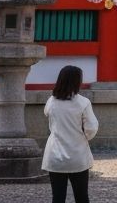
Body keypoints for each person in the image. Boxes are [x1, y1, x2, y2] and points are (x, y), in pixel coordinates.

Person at [42, 65, 99, 203]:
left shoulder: (51, 101)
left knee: (58, 197)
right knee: (81, 196)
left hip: (55, 155)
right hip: (77, 155)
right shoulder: (83, 102)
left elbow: (47, 114)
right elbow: (91, 128)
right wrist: (83, 137)